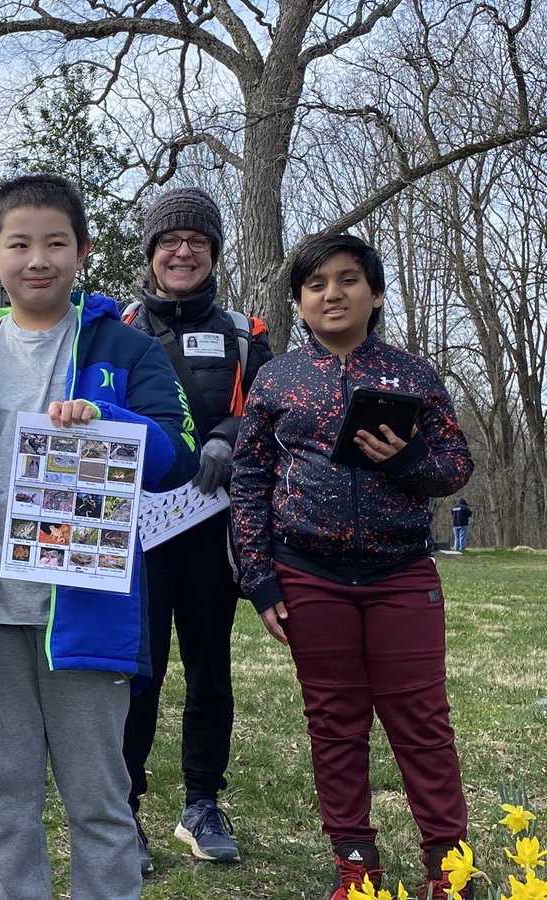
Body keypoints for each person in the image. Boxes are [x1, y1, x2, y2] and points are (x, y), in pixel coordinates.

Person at [0, 174, 199, 900]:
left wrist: (112, 424)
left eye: (56, 243)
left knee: (100, 805)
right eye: (20, 244)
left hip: (88, 619)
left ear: (84, 251)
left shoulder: (126, 351)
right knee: (0, 808)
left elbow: (179, 456)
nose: (39, 259)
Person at [230, 234, 473, 900]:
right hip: (309, 572)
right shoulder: (277, 379)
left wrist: (403, 458)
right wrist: (258, 576)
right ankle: (356, 869)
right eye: (316, 285)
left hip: (401, 572)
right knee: (334, 720)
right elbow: (249, 477)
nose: (331, 294)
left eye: (347, 281)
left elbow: (456, 467)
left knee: (420, 719)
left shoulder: (412, 376)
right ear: (299, 302)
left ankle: (448, 871)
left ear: (375, 293)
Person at [120, 187, 272, 871]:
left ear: (213, 253)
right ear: (150, 253)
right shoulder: (116, 326)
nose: (183, 251)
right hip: (139, 536)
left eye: (197, 241)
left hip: (215, 535)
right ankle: (123, 809)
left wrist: (228, 436)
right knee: (137, 675)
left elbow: (271, 416)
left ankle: (202, 804)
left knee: (210, 671)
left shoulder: (247, 333)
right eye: (169, 240)